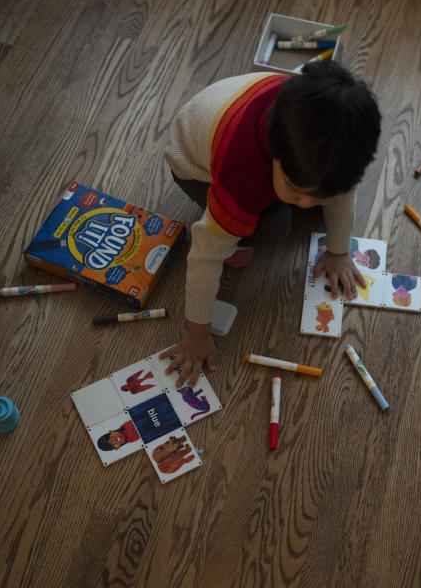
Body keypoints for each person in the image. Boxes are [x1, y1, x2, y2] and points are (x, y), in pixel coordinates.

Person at [162, 60, 381, 386]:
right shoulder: (244, 174)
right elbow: (205, 256)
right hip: (192, 164)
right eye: (296, 190)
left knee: (306, 200)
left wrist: (338, 251)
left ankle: (290, 192)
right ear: (274, 154)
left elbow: (343, 196)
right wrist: (197, 334)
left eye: (316, 196)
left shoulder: (332, 143)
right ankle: (241, 235)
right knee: (275, 225)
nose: (307, 204)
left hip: (235, 118)